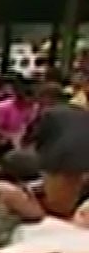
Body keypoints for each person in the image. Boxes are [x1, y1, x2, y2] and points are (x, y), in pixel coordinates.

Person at [26, 84, 89, 218]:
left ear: (46, 98)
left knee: (56, 202)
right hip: (84, 158)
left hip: (60, 157)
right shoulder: (82, 112)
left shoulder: (50, 113)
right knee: (71, 194)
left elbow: (39, 137)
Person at [0, 81, 38, 159]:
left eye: (31, 102)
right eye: (26, 102)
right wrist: (3, 138)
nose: (29, 104)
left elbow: (27, 122)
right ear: (18, 98)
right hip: (1, 137)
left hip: (18, 136)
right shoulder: (2, 107)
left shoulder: (32, 106)